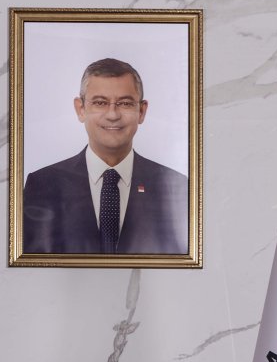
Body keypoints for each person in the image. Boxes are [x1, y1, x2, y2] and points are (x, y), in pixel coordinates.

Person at [23, 57, 188, 255]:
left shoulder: (174, 187)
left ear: (142, 111)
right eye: (100, 103)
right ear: (81, 109)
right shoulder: (43, 185)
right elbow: (30, 271)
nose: (112, 115)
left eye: (125, 103)